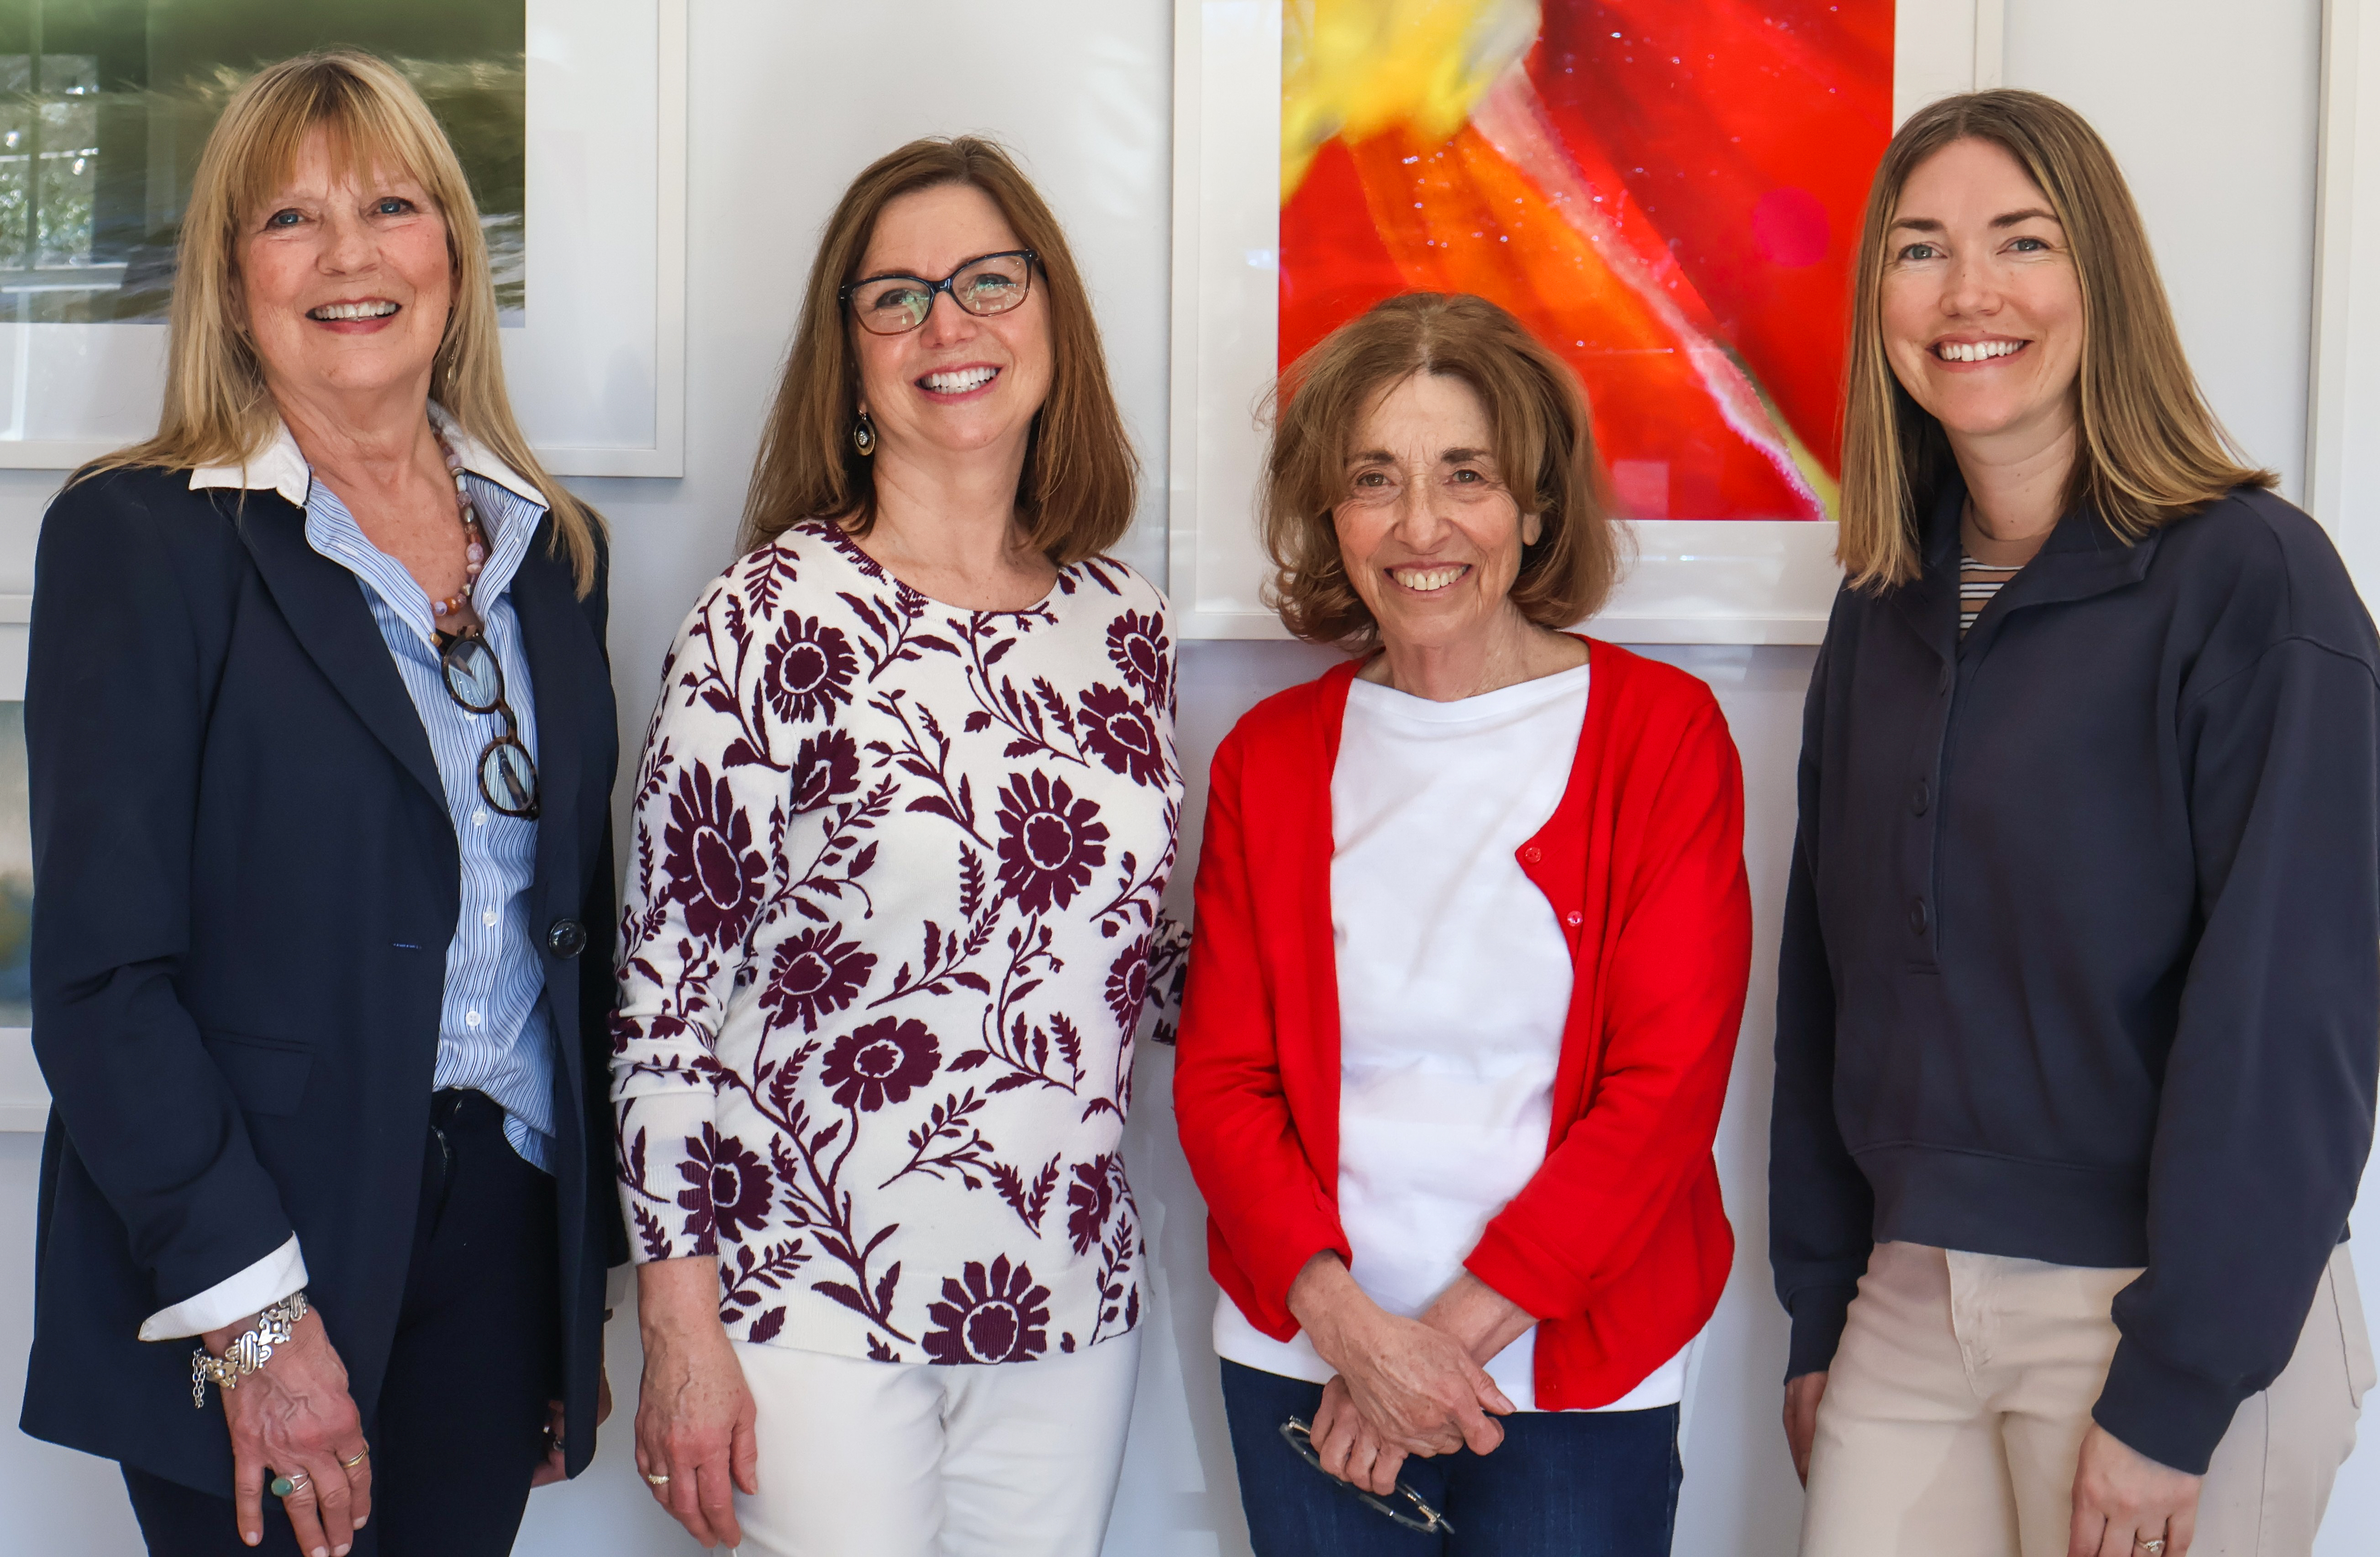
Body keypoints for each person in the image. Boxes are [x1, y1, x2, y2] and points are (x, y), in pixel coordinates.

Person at [18, 49, 622, 1557]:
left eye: (392, 205)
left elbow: (564, 928)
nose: (351, 253)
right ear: (233, 285)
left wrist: (564, 1281)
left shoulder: (548, 552)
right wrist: (257, 1320)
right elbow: (100, 979)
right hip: (255, 1243)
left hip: (497, 1231)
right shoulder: (139, 540)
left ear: (452, 260)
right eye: (291, 220)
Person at [1771, 88, 2379, 1557]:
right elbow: (1823, 973)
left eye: (2018, 241)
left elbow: (2291, 1014)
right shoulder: (1882, 609)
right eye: (1918, 250)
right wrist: (1819, 1303)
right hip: (1907, 1305)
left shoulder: (2254, 583)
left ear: (2097, 278)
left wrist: (2172, 1388)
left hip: (2156, 1311)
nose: (1967, 292)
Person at [612, 136, 1182, 1557]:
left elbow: (1128, 963)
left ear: (1051, 314)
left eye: (989, 280)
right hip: (806, 1296)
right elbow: (662, 1000)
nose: (950, 325)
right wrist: (678, 1323)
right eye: (897, 297)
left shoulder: (1127, 626)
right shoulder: (767, 615)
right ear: (849, 353)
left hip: (1065, 1297)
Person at [1173, 291, 1753, 1555]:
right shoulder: (1270, 760)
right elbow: (1221, 1083)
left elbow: (1665, 1091)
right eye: (1373, 479)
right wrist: (1352, 1336)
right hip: (1306, 1359)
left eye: (1465, 476)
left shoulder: (1660, 738)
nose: (1419, 525)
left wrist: (1428, 1351)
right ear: (1330, 514)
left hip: (1579, 1365)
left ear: (1534, 507)